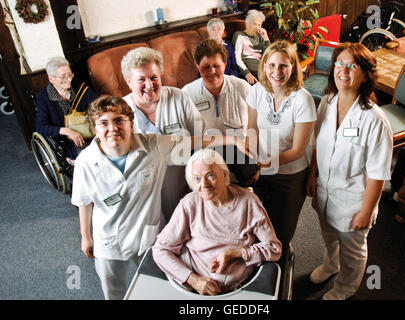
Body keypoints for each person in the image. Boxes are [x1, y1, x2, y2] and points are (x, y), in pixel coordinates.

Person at [71, 95, 249, 300]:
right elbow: (84, 201)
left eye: (119, 120)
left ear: (131, 123)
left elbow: (193, 142)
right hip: (109, 241)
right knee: (113, 292)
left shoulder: (153, 145)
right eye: (103, 123)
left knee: (158, 288)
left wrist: (232, 139)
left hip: (147, 235)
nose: (112, 128)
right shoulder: (85, 161)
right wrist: (86, 236)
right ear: (95, 129)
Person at [305, 42, 393, 300]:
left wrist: (366, 212)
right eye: (339, 64)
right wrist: (312, 174)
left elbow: (378, 173)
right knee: (329, 236)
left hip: (354, 201)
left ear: (365, 75)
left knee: (352, 250)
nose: (343, 70)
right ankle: (331, 265)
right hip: (326, 191)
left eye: (352, 66)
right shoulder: (328, 102)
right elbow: (316, 142)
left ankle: (345, 287)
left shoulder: (374, 120)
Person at [152, 148, 281, 295]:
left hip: (242, 288)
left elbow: (274, 248)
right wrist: (194, 280)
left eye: (210, 175)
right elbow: (160, 250)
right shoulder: (189, 204)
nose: (204, 185)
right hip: (195, 289)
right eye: (197, 179)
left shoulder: (249, 202)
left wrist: (236, 254)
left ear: (224, 175)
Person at [245, 40, 316, 259]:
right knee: (261, 225)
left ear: (293, 67)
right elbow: (251, 130)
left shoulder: (303, 100)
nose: (277, 72)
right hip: (261, 172)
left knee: (282, 232)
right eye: (272, 65)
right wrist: (248, 160)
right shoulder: (256, 91)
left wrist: (260, 164)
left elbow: (297, 150)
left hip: (290, 175)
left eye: (284, 66)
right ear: (264, 65)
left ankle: (282, 268)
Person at [121, 46, 204, 221]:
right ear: (128, 82)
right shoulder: (120, 111)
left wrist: (198, 180)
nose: (149, 85)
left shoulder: (179, 98)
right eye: (141, 79)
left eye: (154, 77)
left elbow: (200, 139)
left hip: (183, 184)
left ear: (161, 76)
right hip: (145, 193)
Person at [183, 39, 257, 185]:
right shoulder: (187, 94)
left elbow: (255, 126)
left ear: (225, 64)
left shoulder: (242, 87)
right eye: (206, 67)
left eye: (217, 66)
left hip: (240, 152)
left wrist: (254, 158)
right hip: (204, 154)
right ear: (197, 66)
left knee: (250, 171)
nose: (212, 71)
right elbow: (184, 139)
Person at [35, 56, 98, 161]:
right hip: (68, 140)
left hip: (89, 130)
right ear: (51, 79)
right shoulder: (44, 97)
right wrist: (66, 131)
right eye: (63, 76)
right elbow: (41, 127)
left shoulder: (79, 86)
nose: (69, 79)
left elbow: (97, 103)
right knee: (90, 158)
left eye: (70, 75)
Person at [232, 9, 270, 85]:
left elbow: (269, 54)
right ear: (247, 24)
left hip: (263, 67)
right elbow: (238, 58)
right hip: (252, 69)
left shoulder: (261, 36)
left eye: (259, 25)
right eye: (254, 24)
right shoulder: (239, 35)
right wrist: (247, 73)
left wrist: (266, 38)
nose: (257, 27)